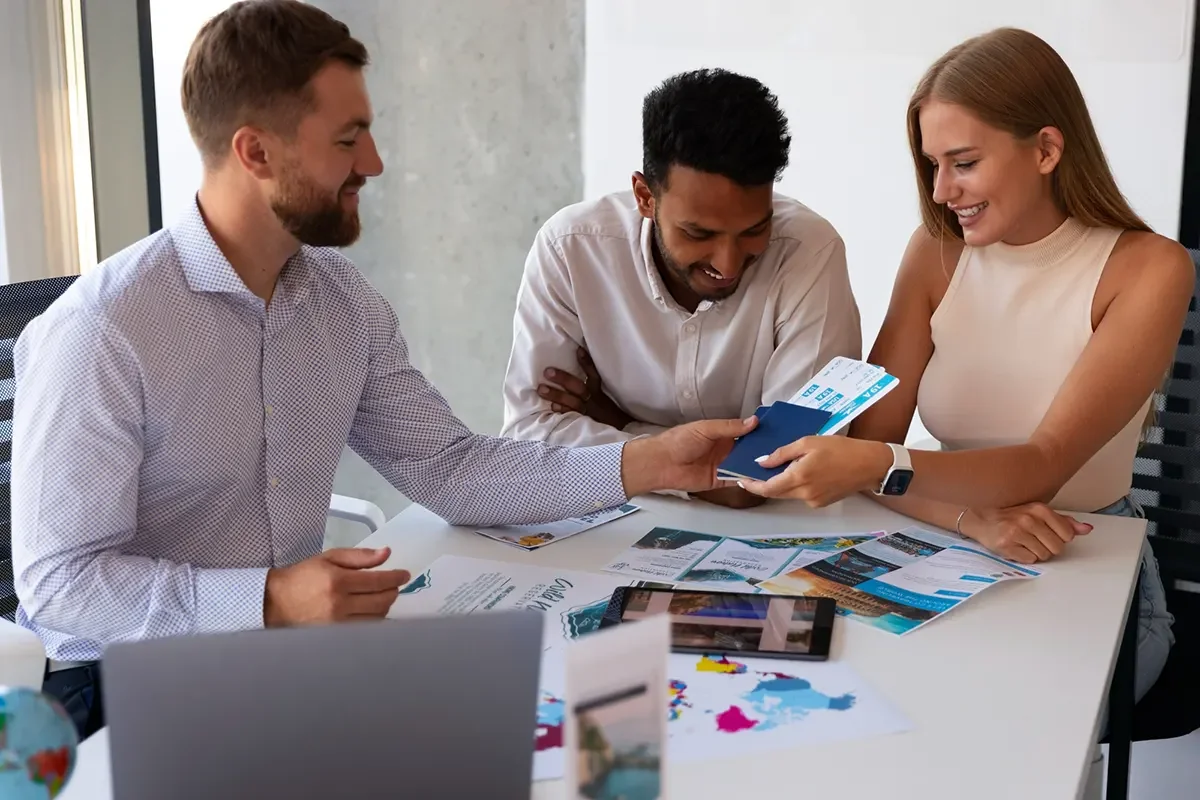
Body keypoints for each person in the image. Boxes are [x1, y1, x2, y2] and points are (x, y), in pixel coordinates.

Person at [10, 0, 755, 738]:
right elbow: (61, 587)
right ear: (256, 153)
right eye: (349, 139)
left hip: (287, 664)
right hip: (129, 691)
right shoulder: (102, 332)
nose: (374, 163)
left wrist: (647, 462)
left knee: (601, 731)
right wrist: (269, 600)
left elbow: (453, 469)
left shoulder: (342, 303)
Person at [739, 27, 1191, 702]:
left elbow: (1042, 463)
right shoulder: (935, 252)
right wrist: (965, 517)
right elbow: (872, 443)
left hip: (1088, 555)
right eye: (932, 165)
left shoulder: (1150, 268)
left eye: (964, 162)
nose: (943, 189)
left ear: (1045, 148)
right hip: (942, 543)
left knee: (989, 719)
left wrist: (879, 469)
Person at [499, 68, 862, 510]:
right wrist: (689, 465)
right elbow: (531, 435)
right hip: (609, 521)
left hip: (760, 535)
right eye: (699, 233)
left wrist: (618, 426)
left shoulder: (809, 252)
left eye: (754, 229)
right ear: (644, 196)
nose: (727, 264)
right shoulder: (571, 249)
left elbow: (784, 465)